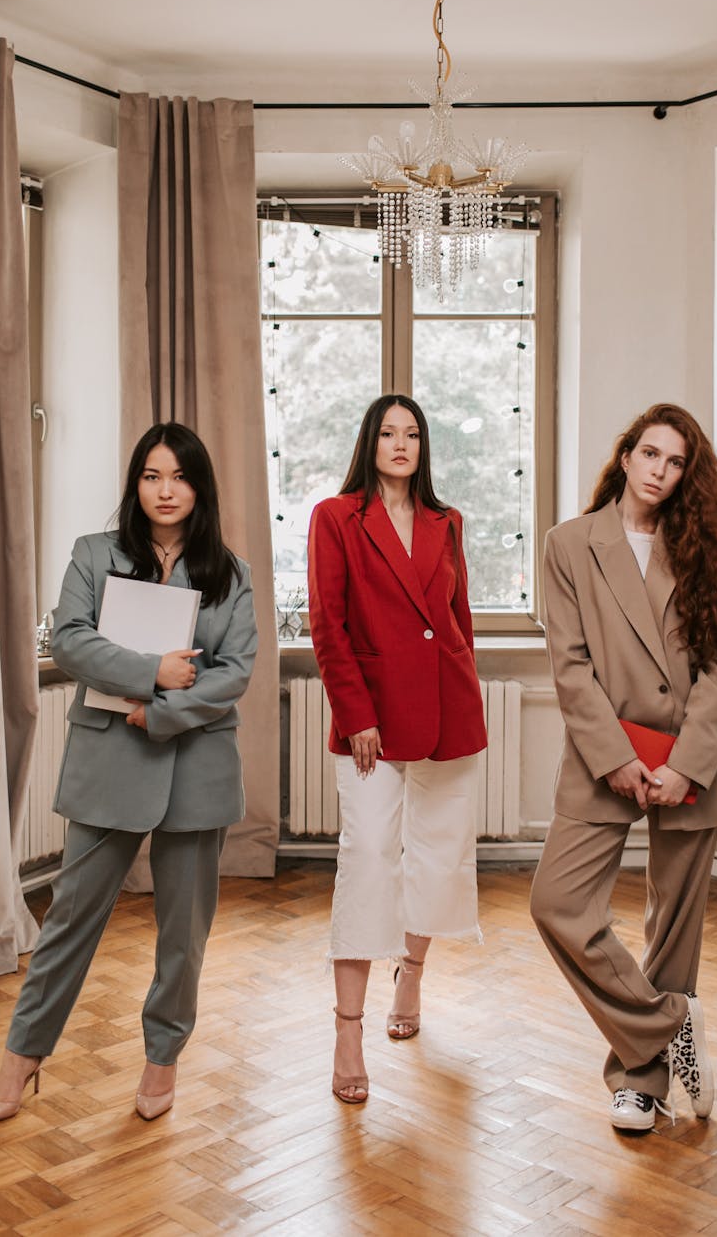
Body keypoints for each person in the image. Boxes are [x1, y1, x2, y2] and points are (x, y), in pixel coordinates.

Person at [0, 422, 257, 1123]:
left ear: (200, 487)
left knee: (182, 937)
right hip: (108, 763)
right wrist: (150, 671)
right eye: (152, 476)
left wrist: (159, 712)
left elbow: (234, 672)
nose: (166, 490)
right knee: (70, 920)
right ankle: (21, 1059)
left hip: (196, 769)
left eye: (180, 477)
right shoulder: (93, 554)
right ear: (135, 484)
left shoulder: (231, 570)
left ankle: (161, 1061)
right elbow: (71, 640)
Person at [530, 403, 717, 1132]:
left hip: (691, 757)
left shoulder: (704, 546)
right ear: (625, 455)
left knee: (673, 929)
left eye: (675, 461)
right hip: (608, 753)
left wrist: (687, 765)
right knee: (557, 905)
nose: (659, 471)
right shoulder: (568, 544)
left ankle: (639, 1081)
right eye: (649, 454)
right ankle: (666, 1025)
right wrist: (617, 759)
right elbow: (569, 667)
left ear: (685, 474)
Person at [308, 394, 487, 1104]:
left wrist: (466, 692)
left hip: (449, 713)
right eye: (388, 433)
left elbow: (457, 622)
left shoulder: (448, 522)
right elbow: (328, 624)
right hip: (372, 725)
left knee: (439, 855)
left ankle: (409, 978)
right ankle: (347, 1029)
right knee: (369, 858)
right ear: (369, 442)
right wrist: (355, 715)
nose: (401, 444)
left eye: (412, 433)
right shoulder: (336, 517)